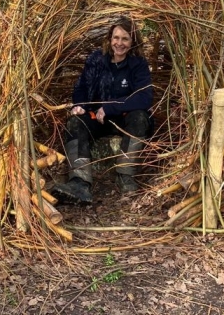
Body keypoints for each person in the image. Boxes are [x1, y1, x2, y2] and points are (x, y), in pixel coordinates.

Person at [52, 16, 153, 204]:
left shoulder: (138, 65)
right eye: (116, 38)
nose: (119, 43)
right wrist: (80, 106)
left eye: (125, 39)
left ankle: (125, 176)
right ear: (109, 38)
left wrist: (110, 107)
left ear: (132, 42)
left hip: (123, 120)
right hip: (96, 118)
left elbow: (144, 97)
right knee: (75, 122)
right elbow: (81, 88)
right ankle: (80, 183)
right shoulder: (96, 60)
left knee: (140, 117)